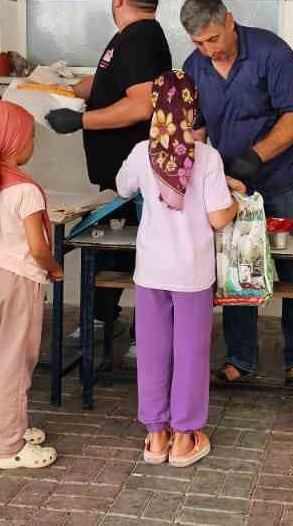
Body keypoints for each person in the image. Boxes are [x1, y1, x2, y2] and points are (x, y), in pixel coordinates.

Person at [178, 0, 293, 388]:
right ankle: (241, 359)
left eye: (213, 39)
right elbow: (199, 126)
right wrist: (187, 163)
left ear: (229, 20)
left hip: (286, 180)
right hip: (232, 185)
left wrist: (254, 158)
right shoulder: (195, 67)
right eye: (199, 44)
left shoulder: (271, 52)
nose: (209, 49)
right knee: (235, 267)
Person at [45, 0, 172, 359]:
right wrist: (52, 87)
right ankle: (102, 318)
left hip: (136, 175)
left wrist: (80, 119)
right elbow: (102, 83)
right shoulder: (128, 38)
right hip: (116, 175)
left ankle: (143, 334)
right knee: (112, 246)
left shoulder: (140, 40)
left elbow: (138, 106)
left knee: (140, 250)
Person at [115, 70, 240, 468]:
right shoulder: (207, 157)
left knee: (152, 351)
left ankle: (155, 437)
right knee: (190, 353)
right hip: (191, 272)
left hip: (151, 269)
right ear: (192, 109)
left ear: (155, 109)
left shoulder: (141, 152)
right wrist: (236, 198)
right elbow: (220, 218)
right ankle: (184, 439)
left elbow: (122, 188)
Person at [0, 100, 62, 469]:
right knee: (16, 362)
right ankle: (11, 447)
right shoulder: (26, 191)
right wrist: (54, 269)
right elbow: (38, 248)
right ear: (12, 140)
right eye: (30, 136)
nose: (32, 143)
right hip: (21, 279)